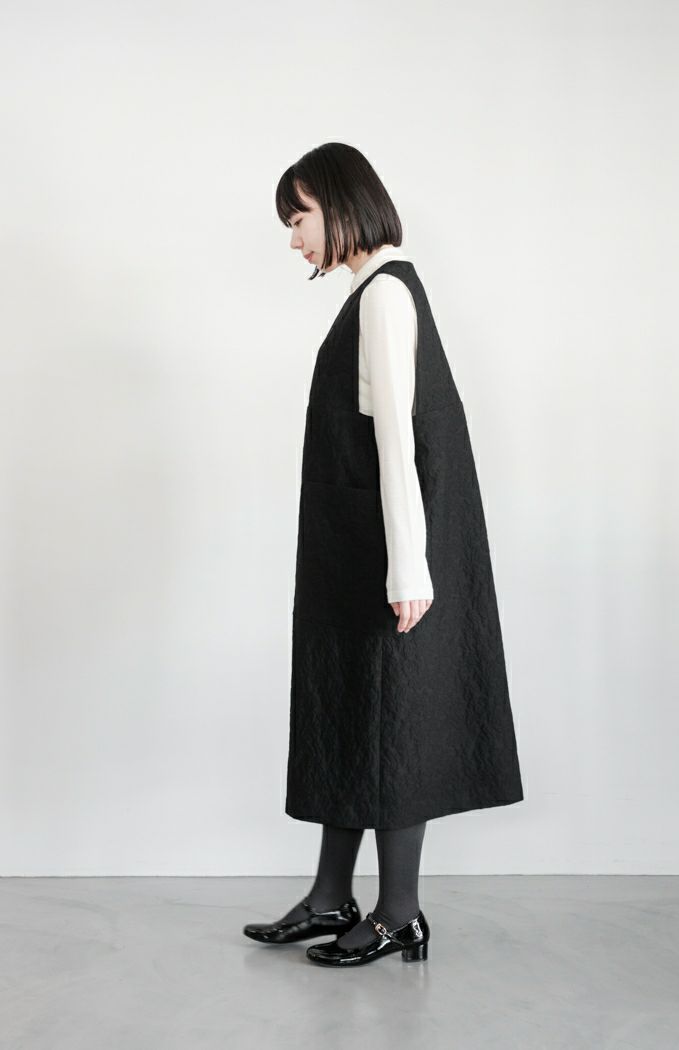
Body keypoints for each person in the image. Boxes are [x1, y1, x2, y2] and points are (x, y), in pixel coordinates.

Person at [243, 142, 524, 968]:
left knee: (394, 718)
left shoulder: (386, 297)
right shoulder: (371, 292)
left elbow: (400, 439)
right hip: (353, 552)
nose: (293, 237)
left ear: (340, 206)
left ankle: (401, 912)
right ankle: (332, 897)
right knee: (349, 712)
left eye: (299, 217)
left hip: (386, 558)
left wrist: (409, 568)